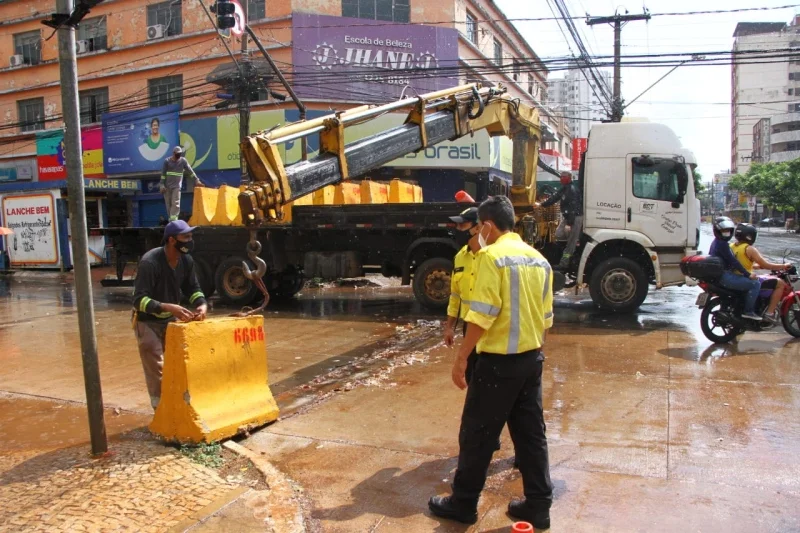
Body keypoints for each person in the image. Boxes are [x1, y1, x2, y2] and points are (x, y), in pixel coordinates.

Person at [429, 196, 554, 530]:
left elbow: (483, 315)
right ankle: (539, 506)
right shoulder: (539, 260)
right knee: (531, 436)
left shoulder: (490, 257)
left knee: (477, 435)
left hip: (498, 363)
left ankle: (463, 503)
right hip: (531, 360)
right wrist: (534, 356)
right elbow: (545, 319)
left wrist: (461, 359)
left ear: (487, 225)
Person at [132, 220, 208, 410]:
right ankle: (160, 411)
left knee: (179, 365)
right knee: (157, 369)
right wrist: (168, 307)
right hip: (147, 322)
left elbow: (193, 288)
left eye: (191, 236)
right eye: (186, 237)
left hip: (169, 320)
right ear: (172, 240)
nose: (190, 241)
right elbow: (139, 301)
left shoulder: (186, 260)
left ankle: (180, 407)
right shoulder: (150, 262)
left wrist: (202, 304)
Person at [730, 223, 791, 323]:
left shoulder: (732, 246)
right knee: (780, 283)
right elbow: (767, 265)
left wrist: (755, 266)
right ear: (750, 236)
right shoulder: (749, 249)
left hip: (734, 277)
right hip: (746, 278)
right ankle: (769, 313)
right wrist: (783, 266)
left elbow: (739, 264)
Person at [708, 217, 762, 321]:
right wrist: (748, 274)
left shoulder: (716, 242)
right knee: (756, 284)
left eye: (728, 231)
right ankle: (749, 311)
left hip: (719, 275)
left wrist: (753, 267)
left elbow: (729, 261)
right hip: (725, 276)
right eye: (724, 231)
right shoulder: (723, 244)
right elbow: (734, 262)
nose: (726, 233)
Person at [536, 171, 582, 269]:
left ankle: (564, 263)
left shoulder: (572, 190)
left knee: (570, 244)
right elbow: (554, 198)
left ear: (569, 178)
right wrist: (541, 204)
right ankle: (571, 248)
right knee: (558, 234)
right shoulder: (564, 189)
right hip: (568, 217)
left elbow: (573, 207)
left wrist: (569, 224)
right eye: (560, 177)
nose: (561, 179)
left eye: (563, 177)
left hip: (574, 218)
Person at [161, 146, 203, 222]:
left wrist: (196, 180)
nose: (179, 155)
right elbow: (163, 175)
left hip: (177, 187)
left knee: (176, 203)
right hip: (167, 187)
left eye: (180, 154)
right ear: (173, 153)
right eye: (177, 154)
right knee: (169, 204)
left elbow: (190, 171)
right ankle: (171, 219)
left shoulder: (183, 161)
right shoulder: (167, 161)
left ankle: (173, 220)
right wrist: (162, 185)